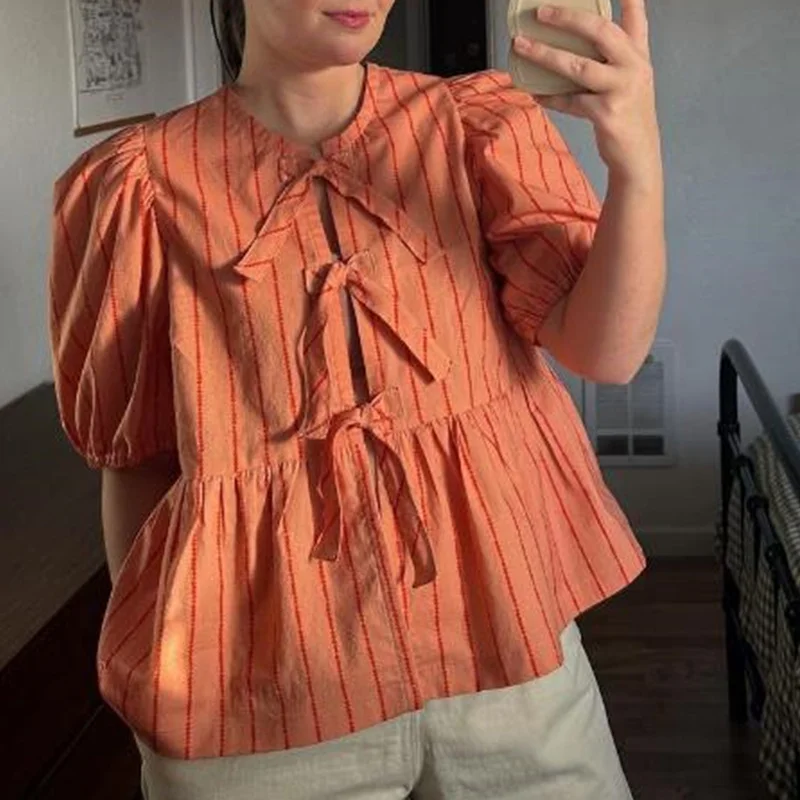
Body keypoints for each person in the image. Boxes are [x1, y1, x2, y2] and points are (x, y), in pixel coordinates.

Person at [49, 0, 665, 797]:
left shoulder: (475, 128)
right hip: (258, 705)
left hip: (512, 666)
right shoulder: (136, 185)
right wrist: (154, 677)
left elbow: (606, 353)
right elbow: (133, 462)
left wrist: (636, 165)